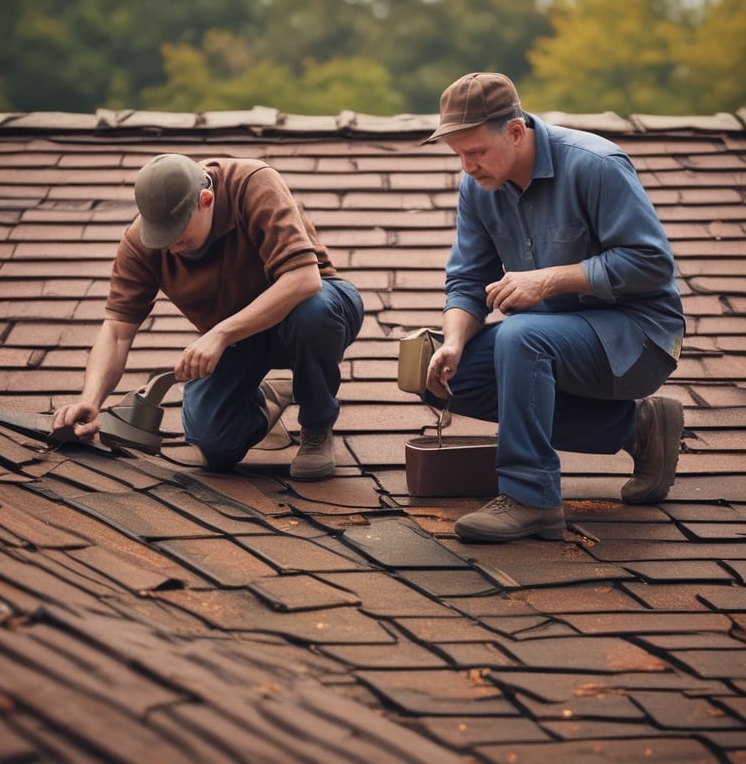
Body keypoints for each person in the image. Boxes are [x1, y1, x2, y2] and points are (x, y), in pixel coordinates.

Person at [422, 72, 685, 543]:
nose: (467, 166)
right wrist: (454, 343)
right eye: (457, 154)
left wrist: (547, 280)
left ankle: (532, 499)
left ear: (516, 132)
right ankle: (637, 427)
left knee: (523, 336)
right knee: (440, 375)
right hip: (552, 336)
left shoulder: (595, 164)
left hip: (638, 337)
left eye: (476, 152)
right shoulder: (479, 187)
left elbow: (652, 263)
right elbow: (467, 280)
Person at [53, 153, 364, 479]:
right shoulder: (142, 243)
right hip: (241, 336)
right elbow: (117, 331)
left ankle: (316, 426)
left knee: (314, 314)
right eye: (161, 238)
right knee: (214, 446)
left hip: (313, 305)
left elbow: (304, 280)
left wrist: (218, 335)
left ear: (206, 200)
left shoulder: (251, 183)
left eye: (178, 234)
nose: (170, 247)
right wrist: (91, 399)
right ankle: (265, 401)